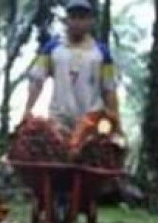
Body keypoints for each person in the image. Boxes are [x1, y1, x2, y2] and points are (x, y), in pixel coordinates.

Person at [23, 0, 121, 133]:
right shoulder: (52, 49)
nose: (77, 22)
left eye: (82, 18)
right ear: (66, 20)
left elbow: (109, 90)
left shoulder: (101, 53)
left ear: (91, 21)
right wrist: (27, 110)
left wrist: (117, 124)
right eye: (73, 17)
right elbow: (37, 80)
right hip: (59, 121)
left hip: (92, 122)